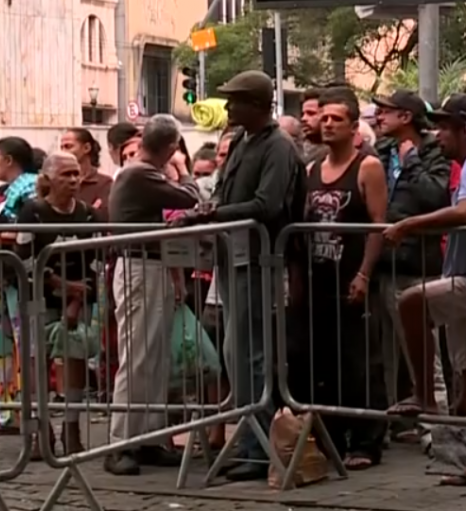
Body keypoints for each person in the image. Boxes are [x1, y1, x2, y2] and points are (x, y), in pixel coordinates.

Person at [385, 93, 466, 487]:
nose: (438, 136)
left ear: (464, 130)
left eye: (445, 128)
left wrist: (409, 225)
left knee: (411, 300)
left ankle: (424, 394)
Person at [201, 70, 306, 481]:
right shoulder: (245, 141)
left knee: (252, 355)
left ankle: (259, 446)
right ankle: (248, 440)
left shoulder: (278, 146)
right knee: (235, 353)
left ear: (258, 105)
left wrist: (214, 214)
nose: (228, 108)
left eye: (236, 101)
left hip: (260, 257)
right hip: (235, 255)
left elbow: (267, 203)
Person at [296, 87, 388, 470]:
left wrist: (364, 273)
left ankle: (367, 440)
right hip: (319, 278)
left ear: (354, 127)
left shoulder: (367, 167)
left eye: (337, 119)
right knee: (324, 362)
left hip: (353, 277)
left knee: (358, 361)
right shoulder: (312, 169)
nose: (328, 124)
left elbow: (378, 225)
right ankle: (331, 436)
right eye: (325, 118)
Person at [104, 114, 200, 475]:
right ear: (171, 147)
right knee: (139, 357)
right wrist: (184, 168)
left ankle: (149, 437)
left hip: (152, 265)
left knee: (155, 357)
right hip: (139, 267)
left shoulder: (138, 171)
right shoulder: (140, 172)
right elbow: (190, 196)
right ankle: (121, 443)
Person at [372, 89, 452, 422]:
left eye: (386, 111)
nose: (379, 117)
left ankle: (438, 429)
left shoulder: (434, 151)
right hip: (384, 264)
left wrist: (412, 162)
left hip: (417, 265)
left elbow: (434, 196)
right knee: (389, 353)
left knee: (422, 351)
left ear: (406, 117)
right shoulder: (380, 151)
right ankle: (400, 424)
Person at [16, 152, 99, 456]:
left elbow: (95, 261)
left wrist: (77, 300)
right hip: (39, 297)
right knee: (39, 360)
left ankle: (72, 427)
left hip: (80, 299)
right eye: (66, 174)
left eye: (77, 173)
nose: (74, 180)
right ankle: (42, 430)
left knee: (75, 356)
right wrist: (60, 285)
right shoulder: (33, 212)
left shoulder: (88, 214)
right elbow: (24, 258)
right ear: (48, 179)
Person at [0, 136, 39, 433]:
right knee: (0, 346)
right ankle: (6, 412)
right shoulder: (1, 191)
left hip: (21, 279)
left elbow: (31, 231)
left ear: (10, 160)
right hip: (0, 281)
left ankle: (29, 410)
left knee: (24, 344)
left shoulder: (31, 186)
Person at [60, 127, 113, 221]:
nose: (63, 152)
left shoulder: (105, 183)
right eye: (62, 147)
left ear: (86, 148)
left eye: (68, 147)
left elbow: (105, 216)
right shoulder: (59, 181)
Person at [300, 87, 328, 162]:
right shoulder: (294, 148)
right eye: (303, 114)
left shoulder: (337, 153)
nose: (303, 118)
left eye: (311, 113)